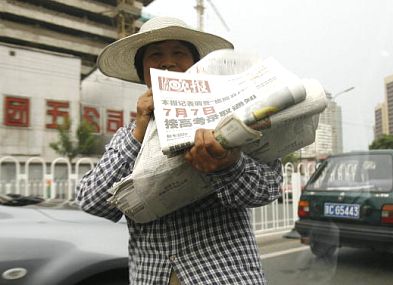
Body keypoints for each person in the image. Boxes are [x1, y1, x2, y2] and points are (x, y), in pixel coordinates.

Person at [76, 16, 282, 285]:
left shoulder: (231, 116)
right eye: (155, 55)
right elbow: (92, 201)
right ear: (143, 73)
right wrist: (139, 131)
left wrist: (228, 165)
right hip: (152, 276)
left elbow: (269, 187)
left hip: (224, 275)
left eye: (179, 53)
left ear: (197, 66)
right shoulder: (128, 136)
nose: (168, 62)